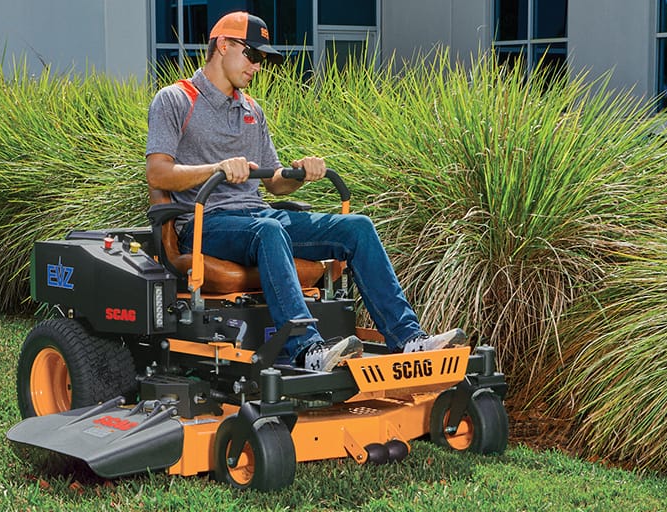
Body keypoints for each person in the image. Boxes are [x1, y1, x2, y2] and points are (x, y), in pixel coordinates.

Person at [145, 11, 464, 372]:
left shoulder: (252, 110)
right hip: (206, 225)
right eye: (252, 54)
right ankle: (305, 349)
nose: (257, 66)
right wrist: (216, 169)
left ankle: (408, 338)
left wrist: (301, 173)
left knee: (356, 227)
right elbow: (157, 173)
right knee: (269, 230)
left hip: (258, 218)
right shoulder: (174, 100)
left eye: (262, 59)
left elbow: (274, 182)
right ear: (223, 46)